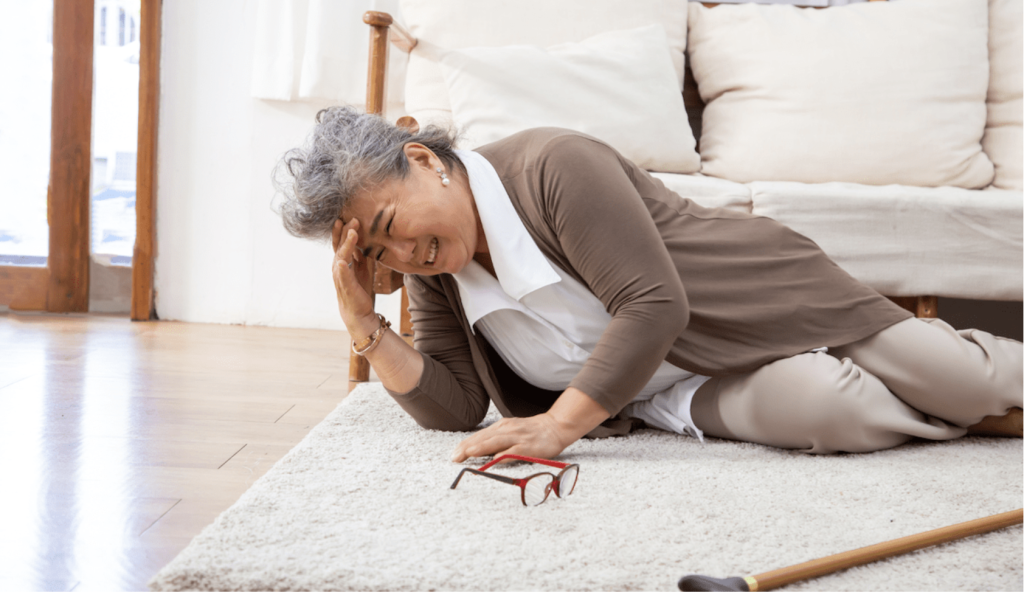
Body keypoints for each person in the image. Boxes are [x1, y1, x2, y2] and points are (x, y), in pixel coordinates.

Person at [275, 106, 1023, 462]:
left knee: (961, 378)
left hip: (759, 297)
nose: (403, 252)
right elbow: (457, 407)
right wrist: (364, 326)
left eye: (391, 222)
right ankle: (973, 418)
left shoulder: (550, 164)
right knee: (835, 413)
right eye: (380, 254)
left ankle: (968, 396)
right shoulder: (436, 270)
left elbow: (653, 303)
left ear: (425, 160)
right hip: (671, 388)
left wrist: (557, 426)